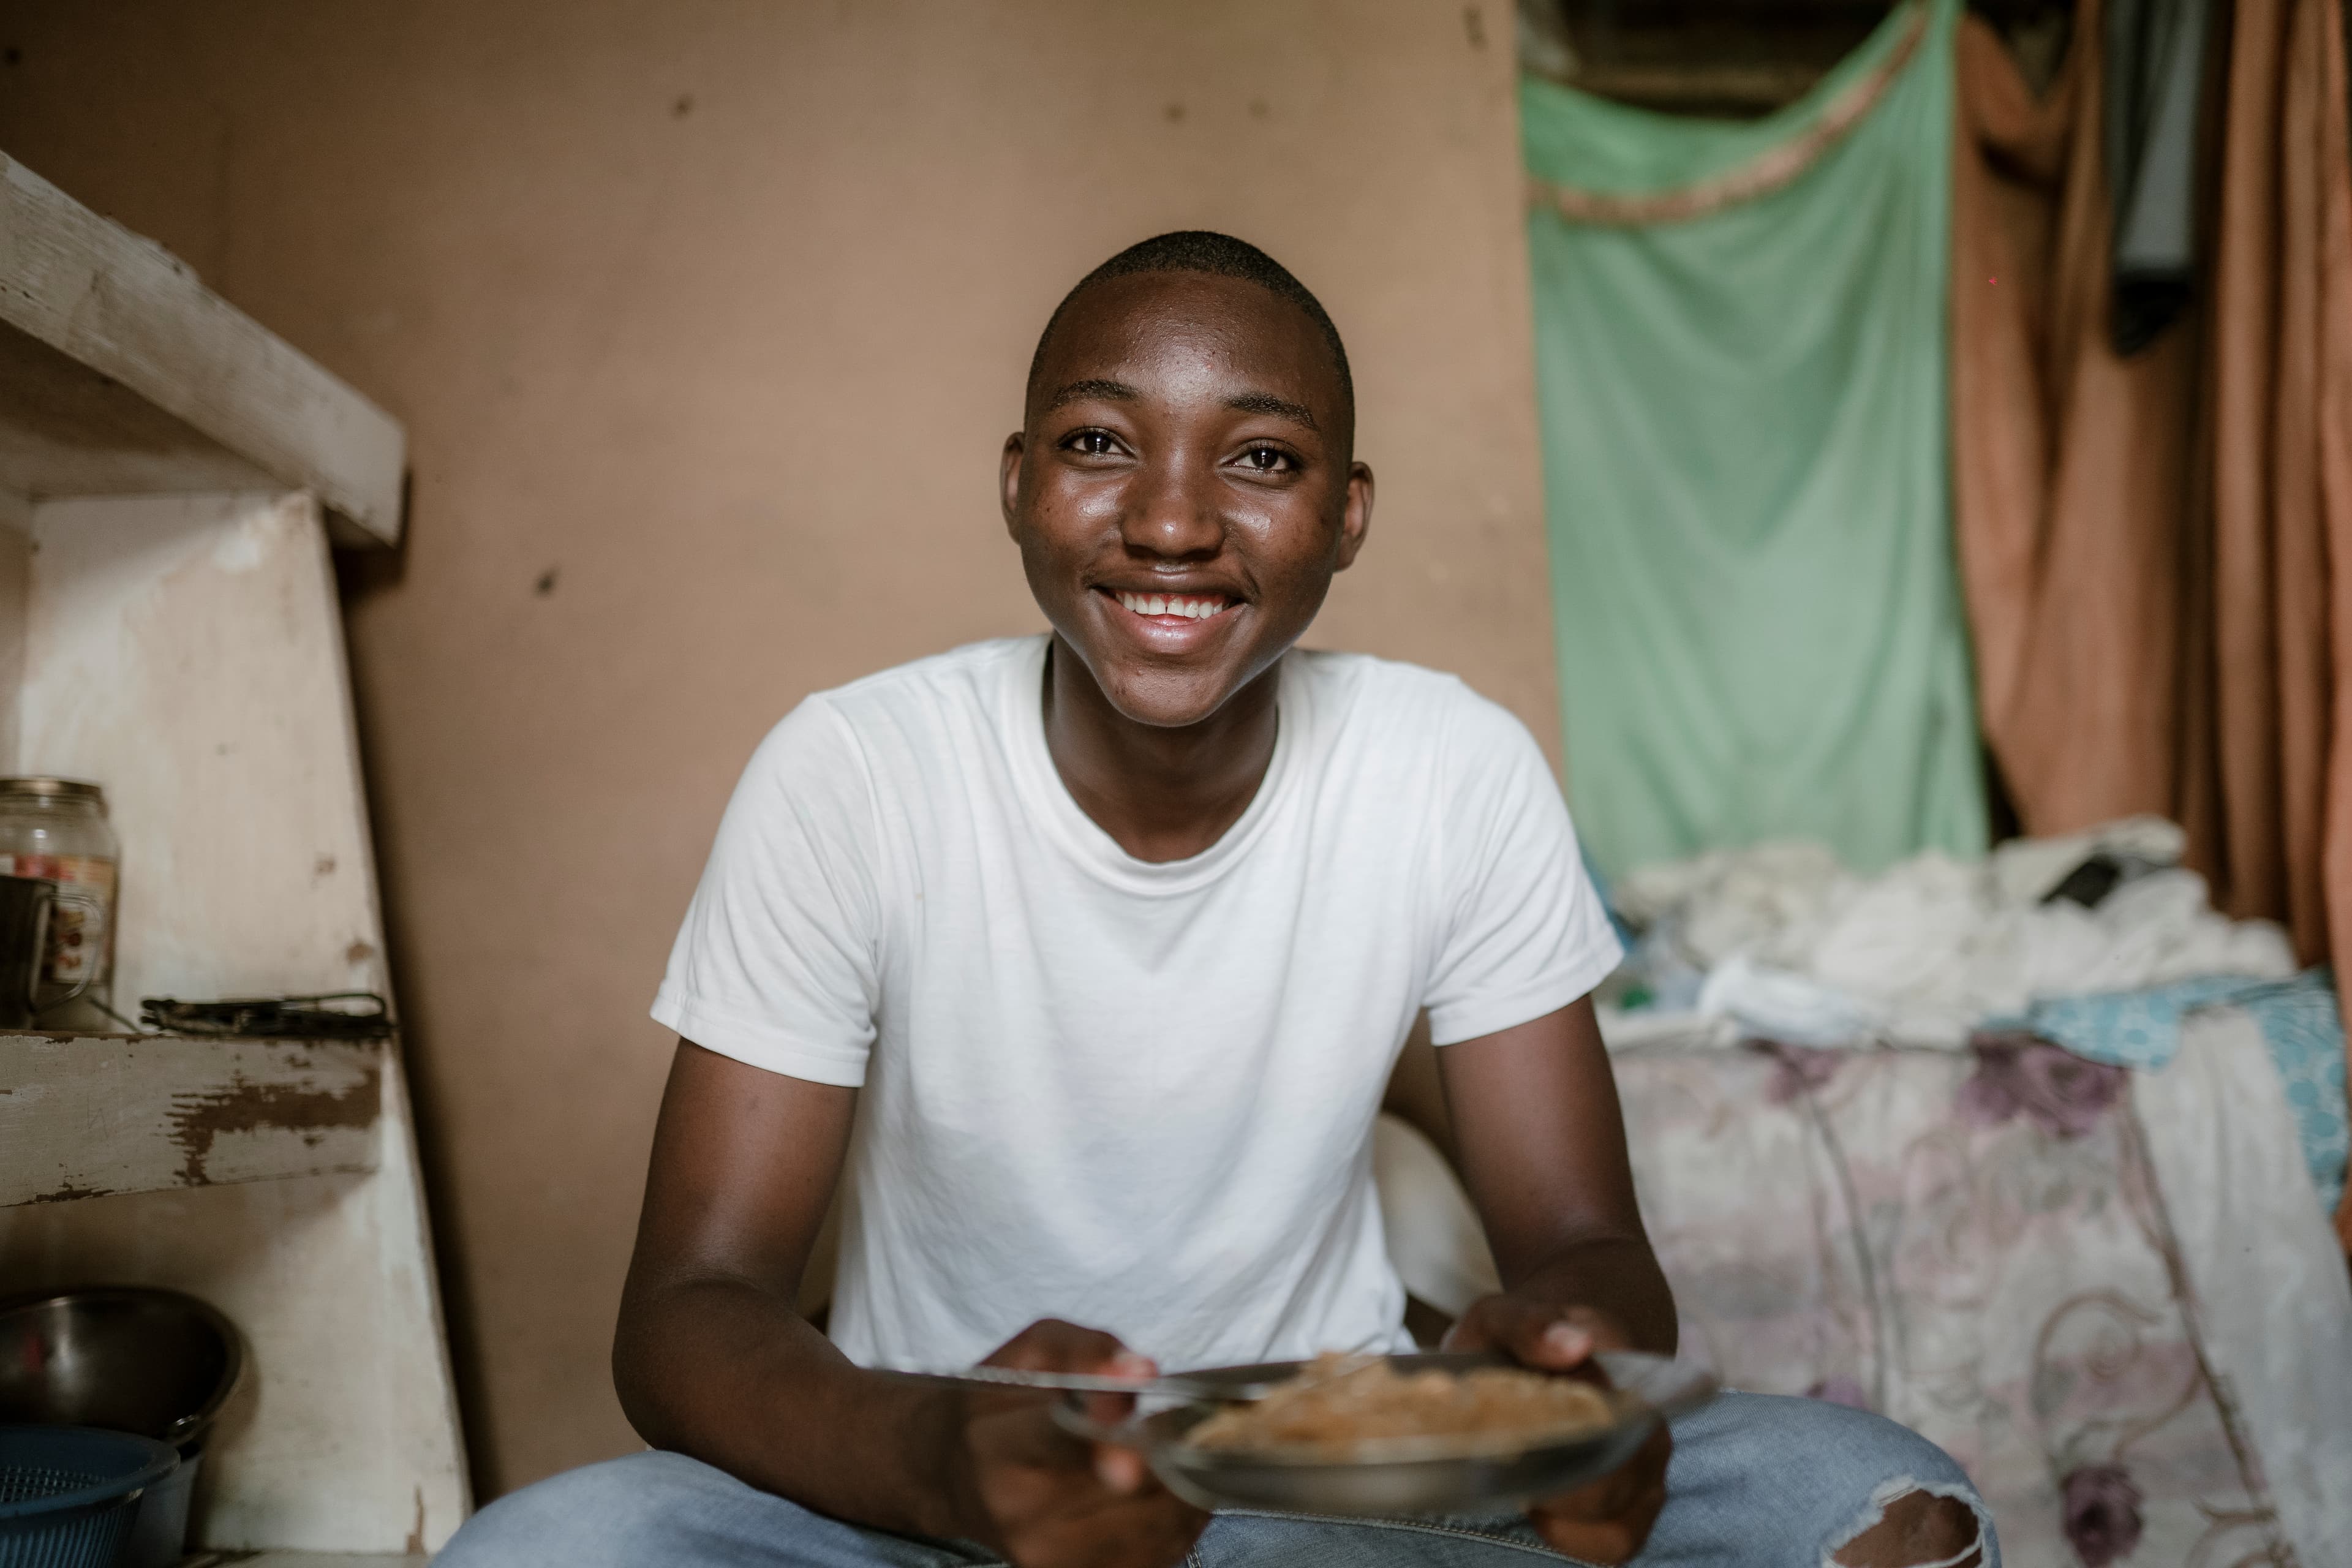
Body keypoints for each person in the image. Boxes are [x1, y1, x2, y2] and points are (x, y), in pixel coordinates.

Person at [440, 232, 1995, 1568]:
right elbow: (692, 1306)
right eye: (1101, 442)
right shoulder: (854, 771)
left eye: (1260, 458)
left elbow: (1586, 1238)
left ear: (1350, 514)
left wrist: (1568, 1378)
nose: (1173, 520)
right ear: (1016, 481)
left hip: (1337, 1485)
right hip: (936, 1486)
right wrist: (945, 1459)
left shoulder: (1450, 767)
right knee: (535, 1552)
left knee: (1877, 1500)